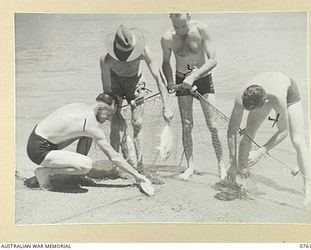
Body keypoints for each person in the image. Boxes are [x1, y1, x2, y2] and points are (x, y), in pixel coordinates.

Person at [26, 93, 154, 196]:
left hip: (38, 138)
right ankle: (45, 172)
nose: (109, 119)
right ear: (100, 108)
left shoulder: (81, 106)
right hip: (39, 151)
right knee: (86, 165)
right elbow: (114, 156)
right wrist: (137, 175)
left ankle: (73, 174)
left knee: (86, 136)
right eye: (108, 114)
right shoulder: (91, 125)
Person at [100, 25, 173, 182]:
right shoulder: (107, 60)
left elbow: (158, 78)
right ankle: (116, 166)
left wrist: (167, 106)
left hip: (136, 82)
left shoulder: (143, 50)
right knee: (116, 125)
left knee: (137, 123)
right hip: (115, 83)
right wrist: (115, 112)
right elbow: (107, 91)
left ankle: (140, 166)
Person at [161, 13, 227, 180]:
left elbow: (213, 60)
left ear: (189, 17)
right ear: (171, 20)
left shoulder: (201, 29)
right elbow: (166, 62)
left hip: (202, 78)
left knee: (212, 125)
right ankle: (190, 166)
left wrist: (194, 76)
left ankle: (221, 166)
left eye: (184, 26)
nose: (181, 30)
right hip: (181, 79)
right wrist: (170, 81)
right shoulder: (167, 38)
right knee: (187, 124)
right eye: (177, 27)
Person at [227, 72, 310, 203]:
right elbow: (231, 132)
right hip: (263, 91)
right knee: (248, 133)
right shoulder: (241, 99)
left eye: (254, 110)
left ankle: (308, 187)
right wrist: (233, 161)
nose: (252, 113)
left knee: (298, 140)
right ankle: (241, 175)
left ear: (265, 102)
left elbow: (283, 131)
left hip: (288, 91)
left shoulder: (277, 98)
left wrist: (260, 152)